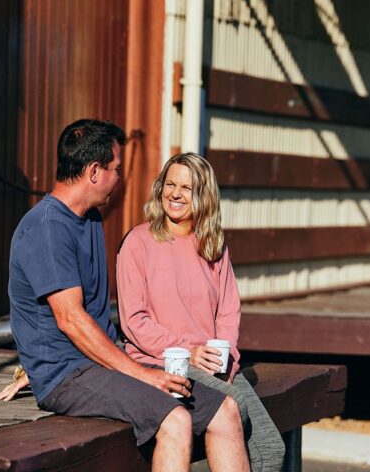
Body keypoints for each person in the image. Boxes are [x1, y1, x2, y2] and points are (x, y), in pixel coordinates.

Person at [6, 119, 249, 472]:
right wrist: (143, 373)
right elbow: (70, 319)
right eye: (116, 169)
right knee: (175, 419)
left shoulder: (87, 218)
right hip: (69, 376)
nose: (120, 178)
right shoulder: (47, 229)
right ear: (94, 171)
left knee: (225, 410)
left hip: (102, 362)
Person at [116, 152, 285, 472]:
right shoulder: (138, 243)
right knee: (234, 411)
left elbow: (229, 310)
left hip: (212, 363)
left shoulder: (213, 244)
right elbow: (134, 321)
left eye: (186, 187)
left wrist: (227, 356)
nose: (175, 194)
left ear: (203, 195)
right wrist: (189, 352)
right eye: (170, 184)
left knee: (271, 449)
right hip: (165, 360)